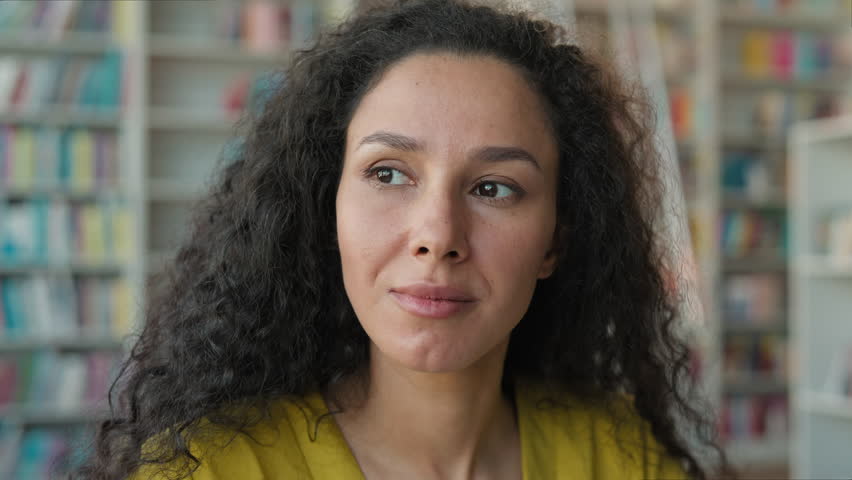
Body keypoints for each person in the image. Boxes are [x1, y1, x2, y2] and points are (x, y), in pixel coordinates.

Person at [72, 0, 734, 479]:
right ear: (325, 209)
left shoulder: (616, 458)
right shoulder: (209, 470)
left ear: (556, 241)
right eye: (388, 174)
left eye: (495, 187)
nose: (438, 236)